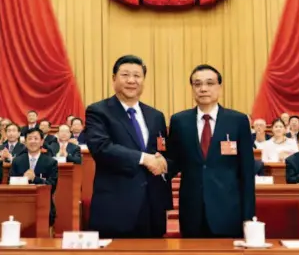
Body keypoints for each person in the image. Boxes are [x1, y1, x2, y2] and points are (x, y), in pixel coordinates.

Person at [85, 55, 171, 238]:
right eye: (125, 75)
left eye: (137, 76)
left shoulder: (156, 115)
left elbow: (163, 151)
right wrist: (144, 158)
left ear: (143, 80)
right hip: (116, 208)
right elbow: (101, 148)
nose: (132, 80)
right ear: (114, 78)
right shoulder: (98, 111)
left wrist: (164, 162)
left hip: (152, 209)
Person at [167, 64, 255, 238]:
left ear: (219, 87)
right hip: (192, 211)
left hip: (229, 211)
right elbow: (173, 163)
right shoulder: (179, 121)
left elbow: (246, 171)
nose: (203, 89)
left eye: (209, 83)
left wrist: (248, 217)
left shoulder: (238, 120)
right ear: (192, 88)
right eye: (197, 84)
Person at [9, 128, 58, 225]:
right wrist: (23, 180)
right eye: (30, 139)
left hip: (43, 206)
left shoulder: (51, 162)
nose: (33, 141)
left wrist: (35, 179)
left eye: (36, 138)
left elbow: (52, 186)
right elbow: (10, 183)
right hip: (20, 204)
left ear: (41, 142)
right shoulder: (17, 161)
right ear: (25, 142)